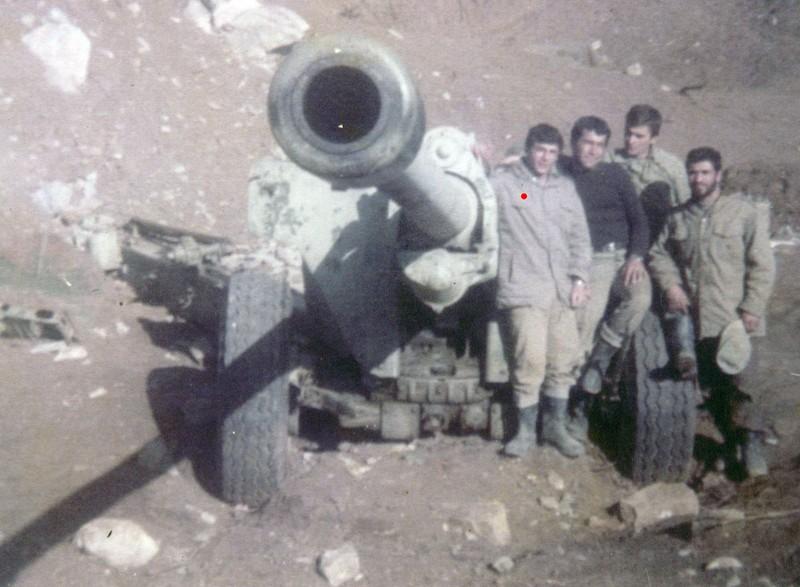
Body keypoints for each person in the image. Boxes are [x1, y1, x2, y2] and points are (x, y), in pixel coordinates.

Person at [649, 147, 775, 477]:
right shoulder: (678, 217)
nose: (698, 179)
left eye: (705, 173)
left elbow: (762, 265)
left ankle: (751, 447)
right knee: (711, 388)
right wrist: (671, 285)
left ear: (718, 175)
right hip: (698, 321)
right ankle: (726, 448)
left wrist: (752, 308)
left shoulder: (743, 213)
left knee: (744, 386)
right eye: (693, 173)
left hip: (735, 319)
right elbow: (659, 254)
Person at [492, 123, 592, 458]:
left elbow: (580, 237)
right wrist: (485, 161)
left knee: (562, 360)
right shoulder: (509, 186)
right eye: (539, 151)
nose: (545, 158)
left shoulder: (565, 189)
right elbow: (484, 197)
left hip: (561, 289)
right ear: (528, 150)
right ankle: (524, 432)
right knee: (530, 361)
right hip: (524, 288)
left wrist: (579, 279)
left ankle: (554, 428)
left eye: (552, 152)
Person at [561, 116, 651, 443]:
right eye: (587, 143)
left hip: (624, 258)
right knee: (583, 327)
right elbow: (528, 196)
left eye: (600, 145)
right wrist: (520, 183)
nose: (593, 151)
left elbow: (639, 221)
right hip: (592, 261)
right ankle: (578, 404)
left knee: (640, 298)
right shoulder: (559, 173)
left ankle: (599, 365)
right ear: (574, 142)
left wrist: (636, 256)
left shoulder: (616, 175)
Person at [611, 104, 691, 239]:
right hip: (616, 233)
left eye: (639, 136)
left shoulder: (671, 167)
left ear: (653, 138)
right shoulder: (610, 160)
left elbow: (685, 207)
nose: (631, 140)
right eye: (628, 133)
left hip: (656, 239)